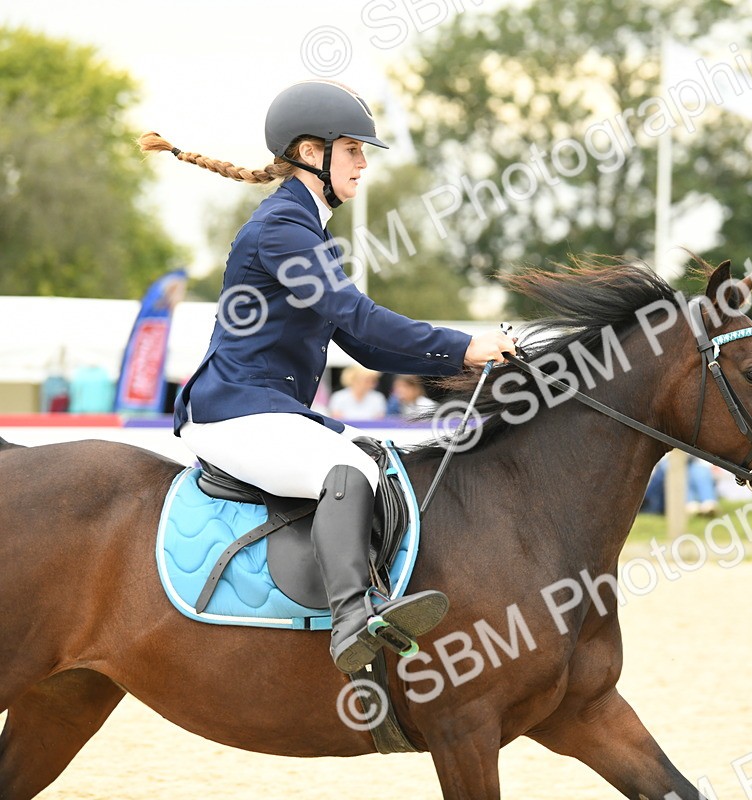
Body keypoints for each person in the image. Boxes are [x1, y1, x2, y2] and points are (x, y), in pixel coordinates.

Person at [140, 79, 516, 673]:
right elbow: (359, 316)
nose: (364, 164)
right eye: (354, 150)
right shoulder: (283, 229)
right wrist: (466, 344)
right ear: (311, 153)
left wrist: (466, 364)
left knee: (375, 458)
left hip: (266, 409)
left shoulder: (304, 229)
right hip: (237, 411)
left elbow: (362, 344)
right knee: (351, 467)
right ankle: (352, 620)